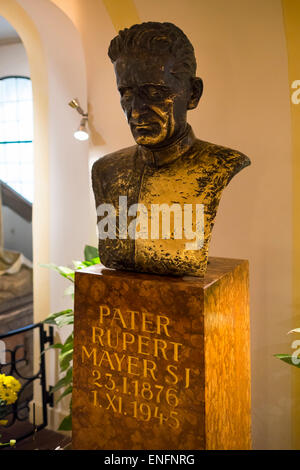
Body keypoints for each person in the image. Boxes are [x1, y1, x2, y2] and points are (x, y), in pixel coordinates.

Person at [92, 22, 250, 276]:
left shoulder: (220, 164)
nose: (134, 110)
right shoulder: (106, 171)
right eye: (126, 93)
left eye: (154, 92)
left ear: (193, 94)